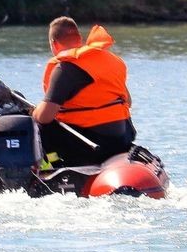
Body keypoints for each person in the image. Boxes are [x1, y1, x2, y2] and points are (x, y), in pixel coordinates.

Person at [32, 16, 136, 166]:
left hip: (91, 146)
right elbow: (128, 102)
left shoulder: (64, 69)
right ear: (79, 39)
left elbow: (45, 117)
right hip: (121, 140)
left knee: (37, 125)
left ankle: (53, 167)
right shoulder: (107, 59)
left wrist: (34, 112)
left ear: (53, 44)